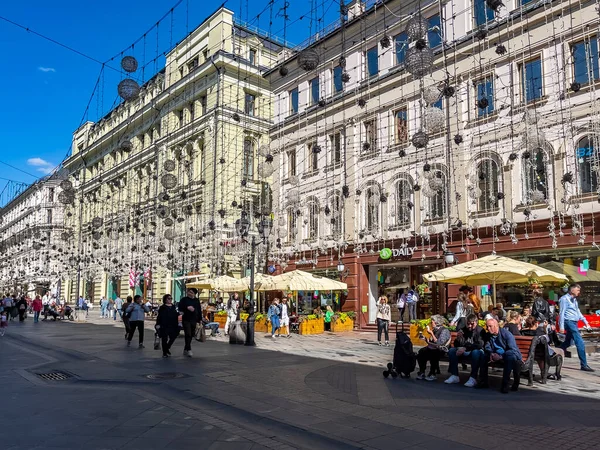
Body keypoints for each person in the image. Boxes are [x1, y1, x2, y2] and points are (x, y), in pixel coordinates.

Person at [480, 317, 522, 393]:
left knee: (509, 357)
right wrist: (491, 354)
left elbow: (513, 350)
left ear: (496, 326)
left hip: (508, 354)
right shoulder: (488, 335)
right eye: (487, 326)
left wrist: (501, 356)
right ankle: (483, 382)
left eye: (490, 326)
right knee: (483, 356)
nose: (488, 328)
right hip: (495, 354)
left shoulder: (506, 334)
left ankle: (505, 385)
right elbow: (487, 346)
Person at [559, 284, 594, 372]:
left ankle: (553, 353)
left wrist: (586, 322)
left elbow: (578, 312)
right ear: (572, 290)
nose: (579, 292)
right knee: (580, 342)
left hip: (574, 322)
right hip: (569, 322)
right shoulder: (564, 299)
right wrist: (561, 326)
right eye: (577, 290)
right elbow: (562, 313)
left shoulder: (574, 300)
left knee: (568, 342)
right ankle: (584, 365)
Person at [445, 314, 485, 388]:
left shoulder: (480, 330)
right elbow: (457, 344)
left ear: (476, 322)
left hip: (474, 351)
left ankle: (473, 377)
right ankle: (454, 375)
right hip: (465, 351)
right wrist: (458, 339)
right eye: (468, 324)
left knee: (476, 352)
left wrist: (465, 348)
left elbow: (479, 345)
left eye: (472, 324)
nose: (469, 326)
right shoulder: (463, 330)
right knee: (452, 351)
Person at [416, 315, 451, 381]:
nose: (431, 324)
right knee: (421, 352)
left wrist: (431, 333)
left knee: (433, 353)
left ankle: (432, 373)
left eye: (432, 322)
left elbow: (439, 343)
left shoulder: (444, 330)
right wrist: (425, 339)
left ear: (437, 322)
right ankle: (422, 371)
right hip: (433, 348)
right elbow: (432, 342)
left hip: (442, 350)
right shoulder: (435, 330)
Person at [178, 288, 201, 357]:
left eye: (191, 292)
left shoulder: (196, 300)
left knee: (191, 334)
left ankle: (186, 348)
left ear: (194, 294)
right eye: (189, 292)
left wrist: (199, 319)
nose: (189, 293)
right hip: (186, 319)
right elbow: (180, 307)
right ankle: (189, 349)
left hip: (194, 319)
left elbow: (199, 310)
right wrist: (187, 308)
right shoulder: (184, 299)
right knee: (188, 333)